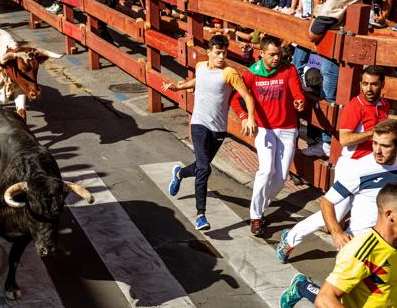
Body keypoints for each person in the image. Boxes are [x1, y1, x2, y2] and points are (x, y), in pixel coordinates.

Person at [276, 66, 391, 263]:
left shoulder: (384, 104)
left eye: (373, 84)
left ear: (382, 85)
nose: (369, 88)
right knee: (332, 213)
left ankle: (354, 253)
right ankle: (291, 237)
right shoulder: (354, 107)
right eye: (365, 84)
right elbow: (344, 139)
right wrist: (373, 132)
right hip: (352, 167)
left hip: (372, 167)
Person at [164, 35, 258, 230]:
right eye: (217, 53)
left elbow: (247, 96)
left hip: (219, 129)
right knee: (205, 169)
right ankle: (201, 215)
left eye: (224, 53)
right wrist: (179, 86)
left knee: (201, 166)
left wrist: (250, 117)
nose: (221, 56)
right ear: (209, 52)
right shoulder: (200, 66)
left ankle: (179, 173)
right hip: (199, 124)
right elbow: (197, 81)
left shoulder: (229, 73)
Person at [231, 35, 306, 236]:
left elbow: (298, 94)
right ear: (261, 54)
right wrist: (245, 117)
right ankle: (255, 216)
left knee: (281, 178)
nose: (276, 58)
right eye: (271, 55)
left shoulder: (288, 70)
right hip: (264, 129)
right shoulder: (251, 74)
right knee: (265, 171)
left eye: (278, 54)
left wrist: (299, 102)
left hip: (288, 128)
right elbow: (235, 99)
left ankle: (260, 203)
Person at [280, 180, 397, 307]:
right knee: (333, 291)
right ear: (390, 215)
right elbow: (325, 299)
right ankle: (302, 286)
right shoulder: (363, 252)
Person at [293, 0, 360, 157]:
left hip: (338, 55)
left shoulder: (329, 8)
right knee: (329, 94)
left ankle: (327, 143)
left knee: (329, 97)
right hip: (348, 46)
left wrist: (315, 5)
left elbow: (311, 35)